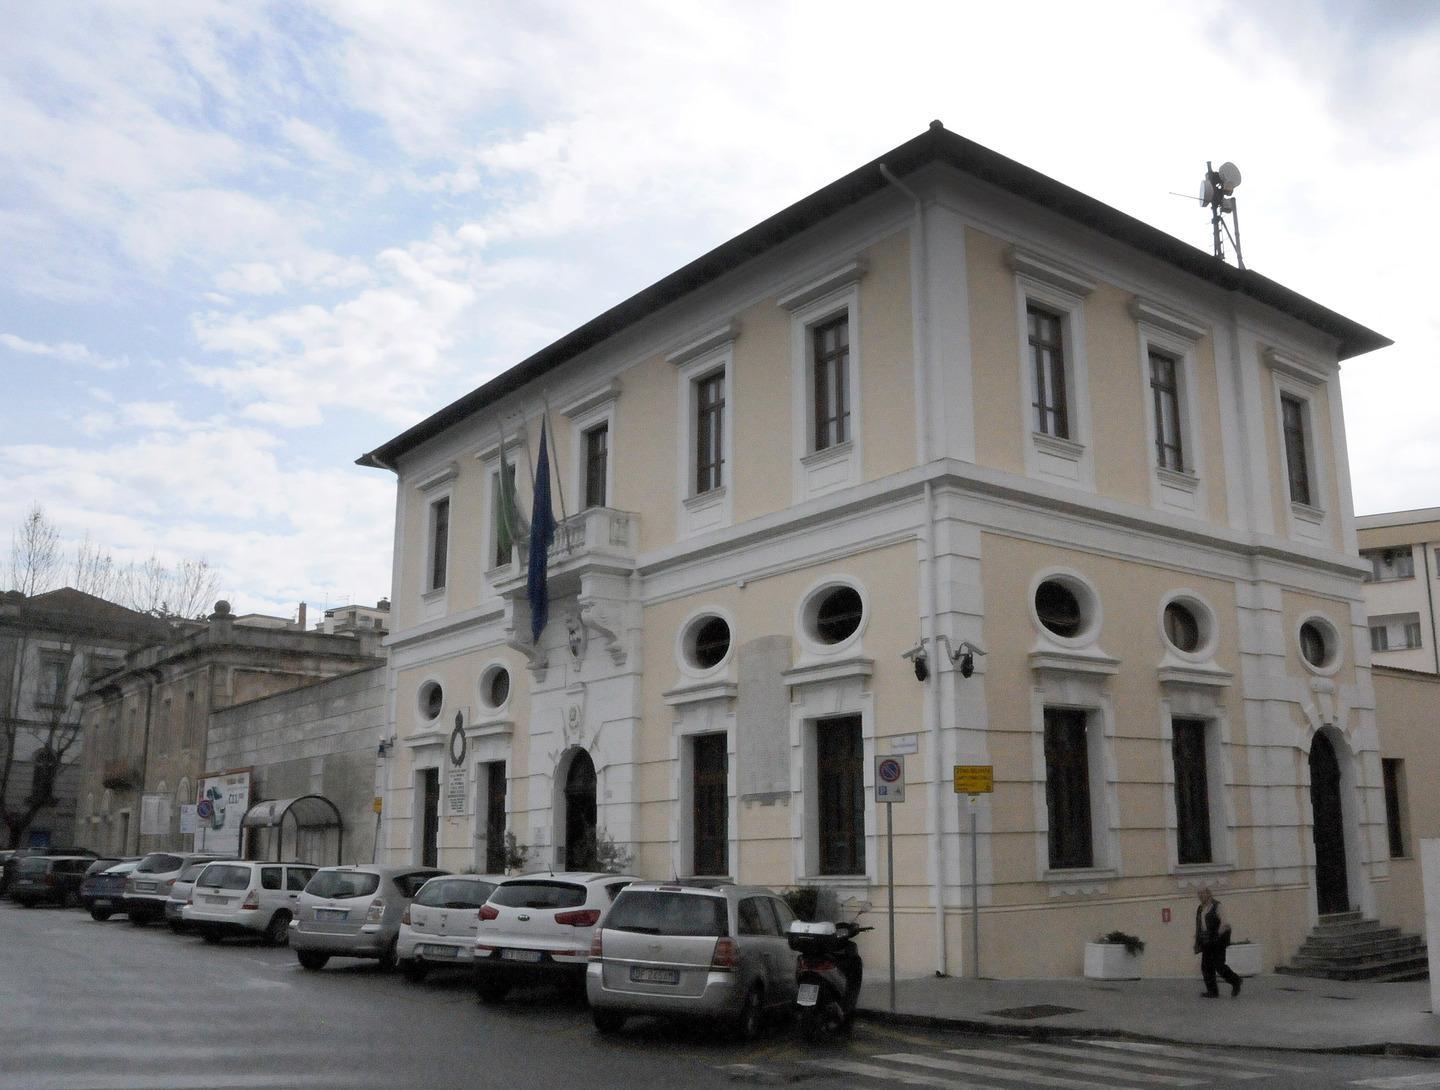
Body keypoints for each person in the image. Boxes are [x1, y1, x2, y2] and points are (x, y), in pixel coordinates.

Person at [1194, 886, 1241, 998]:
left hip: (1218, 941)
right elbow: (1199, 925)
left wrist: (1217, 935)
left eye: (1202, 893)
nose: (1200, 896)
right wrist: (1198, 939)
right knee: (1206, 967)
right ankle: (1212, 991)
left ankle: (1236, 981)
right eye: (1199, 894)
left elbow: (1225, 923)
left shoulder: (1217, 906)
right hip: (1206, 941)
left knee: (1219, 966)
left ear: (1209, 894)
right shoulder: (1200, 908)